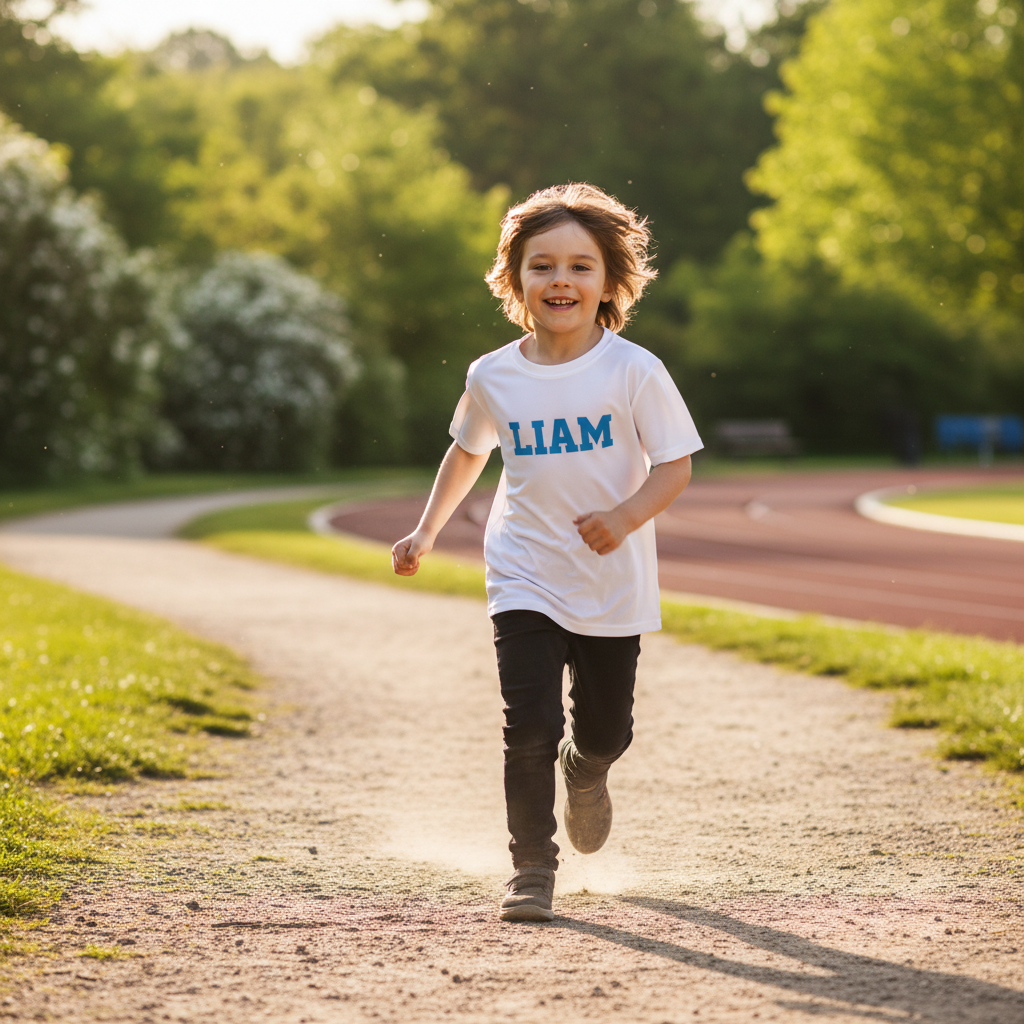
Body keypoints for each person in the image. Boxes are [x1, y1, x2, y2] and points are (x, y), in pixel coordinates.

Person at [392, 183, 703, 922]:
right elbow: (467, 454)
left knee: (605, 731)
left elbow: (675, 466)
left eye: (580, 267)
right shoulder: (493, 374)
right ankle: (532, 868)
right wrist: (428, 530)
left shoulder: (634, 371)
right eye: (542, 266)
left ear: (608, 284)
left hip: (610, 580)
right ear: (515, 280)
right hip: (523, 570)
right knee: (526, 725)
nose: (560, 280)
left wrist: (624, 517)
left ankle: (587, 770)